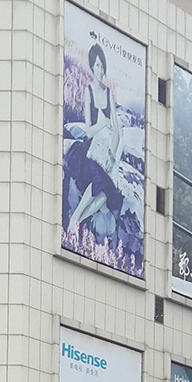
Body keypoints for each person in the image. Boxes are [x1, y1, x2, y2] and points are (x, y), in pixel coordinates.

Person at [64, 43, 124, 245]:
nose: (100, 69)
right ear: (91, 67)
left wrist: (112, 156)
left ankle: (76, 220)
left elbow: (117, 131)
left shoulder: (108, 94)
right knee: (97, 178)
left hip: (104, 152)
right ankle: (76, 218)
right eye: (97, 65)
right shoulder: (88, 91)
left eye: (102, 65)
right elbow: (89, 130)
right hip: (88, 151)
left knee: (107, 195)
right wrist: (102, 124)